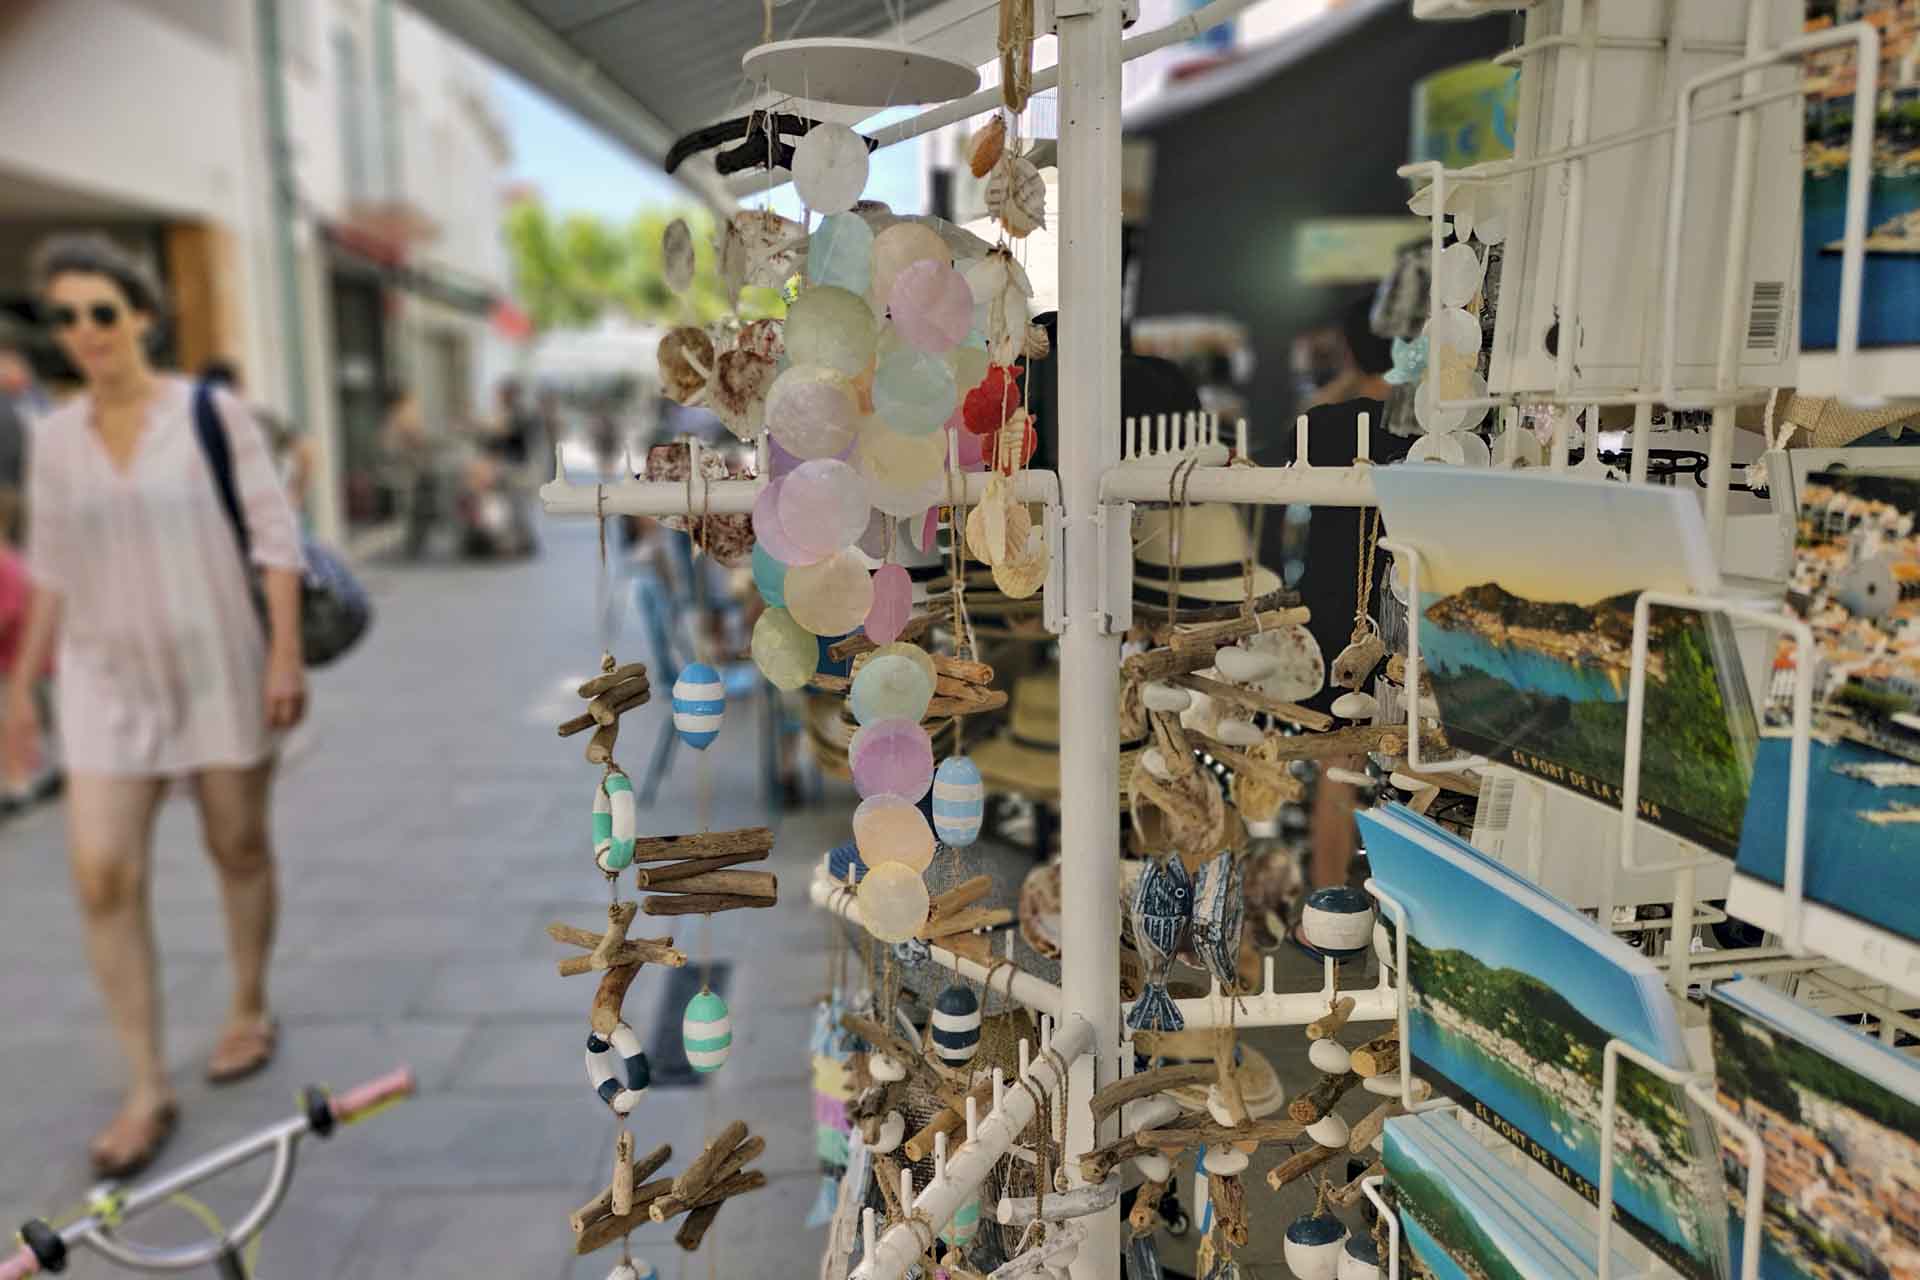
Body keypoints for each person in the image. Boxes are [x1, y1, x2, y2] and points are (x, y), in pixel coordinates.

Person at [1, 234, 306, 1177]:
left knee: (237, 845)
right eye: (65, 318)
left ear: (142, 316)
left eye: (100, 311)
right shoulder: (52, 436)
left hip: (218, 662)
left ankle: (248, 1004)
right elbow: (47, 570)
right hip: (101, 678)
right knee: (100, 873)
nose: (84, 332)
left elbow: (275, 539)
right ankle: (145, 1086)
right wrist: (20, 692)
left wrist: (284, 656)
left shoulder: (212, 415)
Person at [1257, 296, 1412, 953]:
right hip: (1401, 603)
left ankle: (1326, 917)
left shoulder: (1322, 421)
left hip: (1333, 609)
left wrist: (1342, 387)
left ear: (1347, 350)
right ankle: (1411, 912)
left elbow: (1276, 484)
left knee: (1339, 766)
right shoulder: (1424, 426)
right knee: (1420, 762)